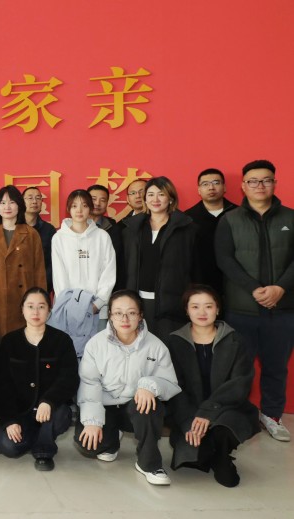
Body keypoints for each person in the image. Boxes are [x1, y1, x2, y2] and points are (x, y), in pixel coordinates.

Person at [215, 159, 294, 442]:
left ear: (274, 183)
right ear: (243, 185)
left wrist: (280, 288)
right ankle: (237, 417)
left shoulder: (290, 217)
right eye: (253, 181)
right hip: (242, 309)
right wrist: (255, 289)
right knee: (239, 368)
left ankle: (272, 415)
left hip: (283, 308)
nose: (260, 185)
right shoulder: (230, 219)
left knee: (276, 366)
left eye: (266, 180)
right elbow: (225, 259)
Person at [75, 290, 181, 486]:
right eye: (118, 313)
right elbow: (89, 383)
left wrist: (149, 386)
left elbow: (170, 383)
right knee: (88, 444)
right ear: (110, 315)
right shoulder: (95, 345)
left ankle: (148, 463)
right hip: (106, 408)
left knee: (150, 405)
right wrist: (92, 421)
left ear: (140, 315)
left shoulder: (156, 346)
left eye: (131, 313)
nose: (124, 319)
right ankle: (111, 439)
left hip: (135, 409)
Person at [166, 285, 259, 487]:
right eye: (195, 306)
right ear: (186, 310)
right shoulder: (175, 341)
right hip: (190, 411)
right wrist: (189, 422)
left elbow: (240, 383)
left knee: (223, 430)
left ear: (218, 309)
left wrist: (207, 412)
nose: (202, 312)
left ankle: (221, 456)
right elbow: (175, 387)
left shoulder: (235, 340)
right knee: (192, 458)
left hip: (227, 408)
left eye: (208, 306)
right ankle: (211, 451)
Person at [0, 288, 79, 471]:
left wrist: (49, 401)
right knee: (8, 447)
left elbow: (69, 378)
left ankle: (44, 450)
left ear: (49, 310)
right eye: (30, 306)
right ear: (22, 309)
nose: (35, 312)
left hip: (52, 411)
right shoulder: (10, 341)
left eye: (41, 306)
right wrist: (9, 420)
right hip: (20, 411)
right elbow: (2, 384)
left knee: (61, 415)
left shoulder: (62, 340)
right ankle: (36, 436)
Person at [122, 177, 198, 339]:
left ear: (170, 198)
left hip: (172, 303)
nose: (155, 199)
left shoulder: (186, 229)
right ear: (145, 199)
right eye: (150, 195)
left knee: (169, 349)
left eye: (161, 194)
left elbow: (195, 268)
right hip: (137, 302)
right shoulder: (131, 228)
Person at [0, 186, 46, 337]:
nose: (7, 207)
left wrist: (41, 302)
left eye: (12, 202)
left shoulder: (31, 234)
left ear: (19, 205)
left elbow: (39, 271)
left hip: (23, 300)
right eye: (2, 203)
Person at [50, 189, 116, 352]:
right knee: (69, 354)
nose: (79, 210)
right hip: (68, 310)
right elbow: (59, 276)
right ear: (68, 209)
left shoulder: (102, 236)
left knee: (97, 353)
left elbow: (109, 273)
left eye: (84, 205)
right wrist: (71, 305)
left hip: (97, 310)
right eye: (74, 206)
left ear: (90, 208)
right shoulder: (59, 238)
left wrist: (97, 303)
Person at [184, 169, 237, 296]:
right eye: (205, 184)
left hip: (235, 281)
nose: (211, 187)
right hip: (200, 283)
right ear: (199, 190)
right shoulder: (187, 218)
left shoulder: (239, 214)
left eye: (216, 183)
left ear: (224, 187)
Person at [22, 187, 56, 291]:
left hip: (41, 286)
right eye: (30, 198)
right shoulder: (14, 228)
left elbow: (52, 262)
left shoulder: (49, 230)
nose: (34, 201)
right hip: (17, 285)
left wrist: (44, 284)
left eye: (38, 198)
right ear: (21, 202)